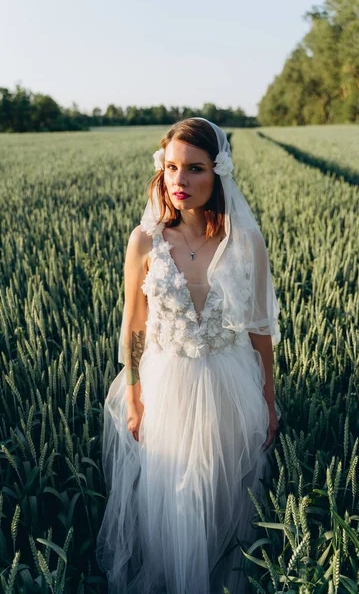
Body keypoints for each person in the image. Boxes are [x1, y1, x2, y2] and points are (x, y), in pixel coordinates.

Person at [96, 117, 281, 593]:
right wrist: (135, 397)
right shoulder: (145, 241)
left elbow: (261, 330)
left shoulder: (246, 243)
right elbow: (134, 325)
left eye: (195, 168)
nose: (180, 181)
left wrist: (269, 399)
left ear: (218, 174)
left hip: (229, 386)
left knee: (225, 496)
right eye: (172, 167)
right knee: (173, 501)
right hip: (167, 388)